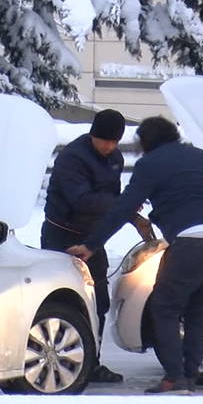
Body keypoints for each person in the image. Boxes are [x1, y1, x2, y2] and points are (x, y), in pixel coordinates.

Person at [68, 116, 203, 395]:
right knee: (198, 311)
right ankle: (191, 377)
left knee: (164, 307)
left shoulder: (150, 164)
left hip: (188, 242)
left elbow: (123, 208)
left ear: (146, 143)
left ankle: (174, 377)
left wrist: (92, 244)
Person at [42, 108, 152, 383]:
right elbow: (83, 200)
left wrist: (128, 212)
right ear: (93, 135)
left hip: (92, 239)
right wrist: (123, 206)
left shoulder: (113, 157)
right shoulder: (72, 158)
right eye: (105, 141)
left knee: (97, 301)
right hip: (62, 237)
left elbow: (110, 200)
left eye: (114, 142)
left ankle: (91, 362)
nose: (110, 147)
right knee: (62, 299)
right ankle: (56, 358)